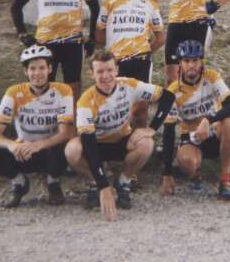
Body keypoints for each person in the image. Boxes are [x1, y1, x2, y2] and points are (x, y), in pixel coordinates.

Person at [65, 51, 175, 221]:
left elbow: (168, 96)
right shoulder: (85, 101)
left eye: (109, 70)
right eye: (100, 72)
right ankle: (94, 181)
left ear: (117, 70)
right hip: (96, 144)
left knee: (147, 144)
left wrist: (152, 128)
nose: (106, 76)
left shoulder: (129, 85)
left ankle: (124, 180)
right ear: (91, 74)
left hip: (122, 140)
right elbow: (88, 143)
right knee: (72, 150)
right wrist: (103, 185)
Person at [0, 45, 74, 207]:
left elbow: (65, 133)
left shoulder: (63, 91)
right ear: (26, 71)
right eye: (32, 68)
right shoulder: (13, 92)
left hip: (50, 150)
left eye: (41, 68)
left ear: (50, 69)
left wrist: (38, 145)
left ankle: (53, 182)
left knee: (66, 146)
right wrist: (11, 145)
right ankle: (19, 182)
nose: (37, 73)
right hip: (23, 152)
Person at [160, 40, 230, 201]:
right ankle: (196, 173)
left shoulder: (211, 76)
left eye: (195, 60)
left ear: (201, 61)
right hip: (191, 138)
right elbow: (168, 132)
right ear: (180, 63)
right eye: (187, 61)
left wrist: (208, 120)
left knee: (229, 122)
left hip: (213, 132)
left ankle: (225, 181)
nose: (191, 65)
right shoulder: (173, 91)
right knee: (188, 162)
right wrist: (166, 173)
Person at [95, 0, 166, 127]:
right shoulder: (109, 3)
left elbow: (161, 36)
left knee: (140, 109)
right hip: (116, 62)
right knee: (114, 106)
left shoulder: (151, 4)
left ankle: (139, 143)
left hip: (141, 61)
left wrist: (147, 51)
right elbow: (99, 34)